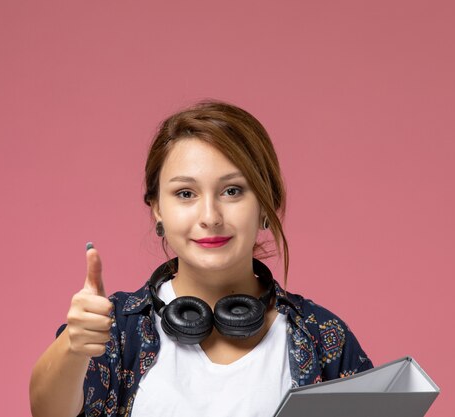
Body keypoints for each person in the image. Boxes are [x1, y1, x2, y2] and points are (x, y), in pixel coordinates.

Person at [29, 100, 373, 417]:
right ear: (157, 209)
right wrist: (73, 348)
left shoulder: (321, 335)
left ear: (266, 204)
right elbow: (48, 410)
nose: (210, 216)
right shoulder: (115, 328)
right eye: (185, 193)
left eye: (232, 191)